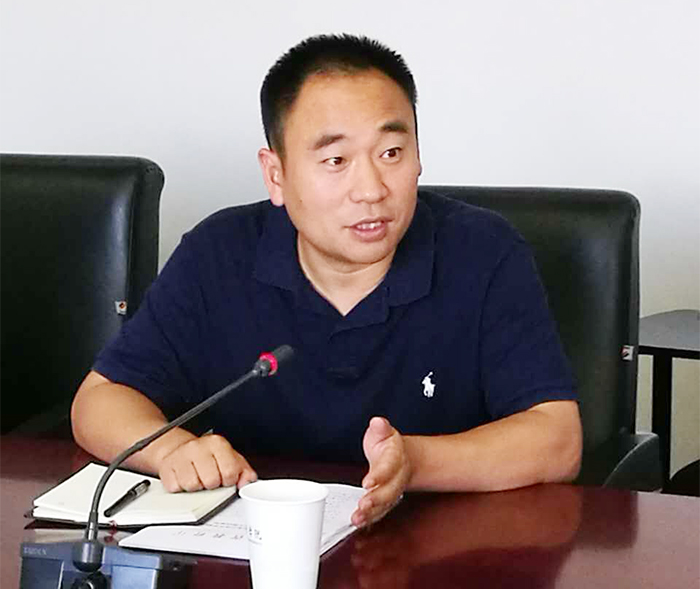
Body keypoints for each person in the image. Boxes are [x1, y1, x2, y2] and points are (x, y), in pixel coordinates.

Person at [71, 34, 582, 528]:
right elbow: (100, 399)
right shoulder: (219, 253)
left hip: (440, 551)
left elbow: (557, 439)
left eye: (391, 153)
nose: (371, 190)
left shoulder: (483, 253)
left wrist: (416, 462)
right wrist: (173, 451)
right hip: (253, 550)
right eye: (336, 161)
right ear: (276, 175)